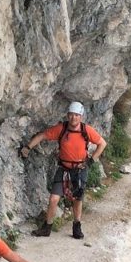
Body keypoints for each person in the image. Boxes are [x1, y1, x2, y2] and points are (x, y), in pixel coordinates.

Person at [20, 101, 106, 239]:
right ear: (67, 115)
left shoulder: (86, 130)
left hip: (79, 169)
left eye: (76, 115)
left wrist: (91, 161)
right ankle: (47, 227)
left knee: (77, 199)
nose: (74, 118)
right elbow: (42, 135)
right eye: (71, 115)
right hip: (64, 168)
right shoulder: (61, 129)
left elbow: (102, 143)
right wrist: (28, 147)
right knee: (54, 198)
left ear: (81, 117)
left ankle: (77, 227)